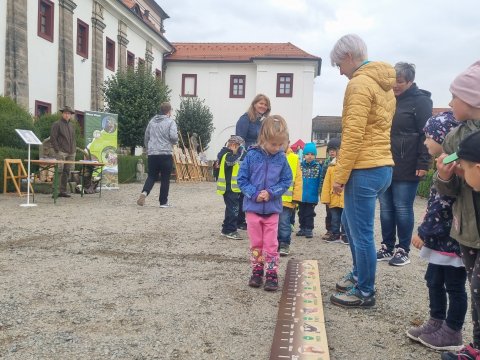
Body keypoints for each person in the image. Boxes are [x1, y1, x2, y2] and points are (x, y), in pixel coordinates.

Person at [327, 34, 396, 308]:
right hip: (381, 167)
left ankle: (365, 291)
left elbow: (353, 135)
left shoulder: (359, 84)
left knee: (361, 232)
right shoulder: (385, 86)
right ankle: (358, 275)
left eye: (339, 65)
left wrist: (339, 176)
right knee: (350, 225)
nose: (340, 72)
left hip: (364, 167)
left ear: (349, 57)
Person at [406, 112, 466, 351]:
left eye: (429, 137)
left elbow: (443, 207)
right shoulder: (445, 161)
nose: (425, 142)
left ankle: (452, 330)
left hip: (451, 241)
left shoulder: (451, 165)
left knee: (454, 285)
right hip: (440, 242)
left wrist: (423, 232)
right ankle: (436, 321)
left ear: (443, 136)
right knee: (433, 280)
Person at [434, 60, 480, 360]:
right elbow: (447, 192)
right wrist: (445, 176)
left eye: (455, 96)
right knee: (475, 289)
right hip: (467, 226)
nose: (450, 103)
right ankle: (475, 346)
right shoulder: (454, 136)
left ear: (473, 99)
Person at [376, 62, 433, 267]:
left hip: (409, 162)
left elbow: (427, 134)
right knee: (385, 207)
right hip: (385, 160)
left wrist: (423, 162)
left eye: (399, 82)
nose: (395, 85)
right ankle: (386, 246)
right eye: (393, 81)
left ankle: (403, 249)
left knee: (402, 207)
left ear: (410, 81)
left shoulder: (421, 101)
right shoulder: (388, 98)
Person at [237, 115, 292, 291]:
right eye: (273, 144)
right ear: (263, 139)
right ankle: (257, 270)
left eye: (280, 145)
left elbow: (286, 180)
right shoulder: (251, 156)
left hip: (272, 210)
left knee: (271, 244)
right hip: (253, 209)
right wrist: (254, 194)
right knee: (256, 243)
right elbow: (241, 179)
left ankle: (271, 273)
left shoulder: (281, 158)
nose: (277, 148)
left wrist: (271, 193)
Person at [235, 94, 272, 230]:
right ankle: (239, 219)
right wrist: (245, 157)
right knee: (244, 188)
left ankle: (251, 216)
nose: (263, 106)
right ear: (254, 104)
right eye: (260, 103)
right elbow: (240, 140)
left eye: (265, 104)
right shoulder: (245, 119)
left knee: (256, 187)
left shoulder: (263, 122)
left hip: (261, 158)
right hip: (247, 157)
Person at [137, 102, 178, 208]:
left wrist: (148, 148)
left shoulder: (152, 121)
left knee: (151, 175)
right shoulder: (170, 122)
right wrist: (174, 142)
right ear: (169, 111)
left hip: (152, 153)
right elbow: (173, 137)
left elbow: (146, 136)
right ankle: (163, 202)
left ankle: (145, 192)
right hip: (165, 153)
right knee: (165, 178)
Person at [216, 135, 246, 240]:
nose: (242, 149)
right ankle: (231, 230)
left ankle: (225, 229)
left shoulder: (228, 154)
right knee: (233, 209)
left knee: (230, 209)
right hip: (229, 189)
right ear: (233, 145)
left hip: (231, 188)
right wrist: (239, 152)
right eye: (240, 146)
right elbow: (232, 161)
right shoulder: (228, 155)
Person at [277, 141, 302, 256]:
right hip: (273, 198)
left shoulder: (294, 158)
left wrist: (296, 197)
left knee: (284, 222)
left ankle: (284, 243)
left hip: (287, 199)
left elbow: (298, 180)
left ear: (288, 142)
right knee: (272, 223)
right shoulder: (272, 155)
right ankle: (274, 243)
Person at [320, 148, 348, 245]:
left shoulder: (349, 168)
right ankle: (335, 234)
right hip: (333, 198)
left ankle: (345, 235)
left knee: (345, 218)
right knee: (334, 218)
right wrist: (325, 198)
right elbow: (326, 184)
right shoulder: (331, 167)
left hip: (345, 199)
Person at [296, 142, 322, 239]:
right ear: (304, 155)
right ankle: (302, 228)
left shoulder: (317, 167)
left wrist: (319, 192)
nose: (310, 156)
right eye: (307, 154)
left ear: (315, 155)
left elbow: (320, 180)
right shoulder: (300, 166)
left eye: (312, 154)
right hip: (301, 195)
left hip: (312, 195)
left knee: (309, 213)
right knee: (301, 212)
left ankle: (309, 229)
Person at [50, 105, 76, 198]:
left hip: (71, 152)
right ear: (62, 114)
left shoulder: (71, 125)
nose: (67, 115)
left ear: (70, 115)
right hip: (61, 151)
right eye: (65, 113)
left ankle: (63, 191)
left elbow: (73, 139)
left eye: (69, 113)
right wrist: (57, 149)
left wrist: (74, 150)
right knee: (59, 171)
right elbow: (53, 138)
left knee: (67, 171)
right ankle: (55, 191)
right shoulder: (57, 124)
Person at [319, 138, 341, 240]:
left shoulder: (342, 163)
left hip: (340, 193)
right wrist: (322, 192)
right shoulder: (327, 163)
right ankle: (330, 230)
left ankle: (341, 233)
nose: (332, 152)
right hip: (329, 192)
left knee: (341, 215)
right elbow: (323, 179)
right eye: (330, 150)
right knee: (329, 214)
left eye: (334, 150)